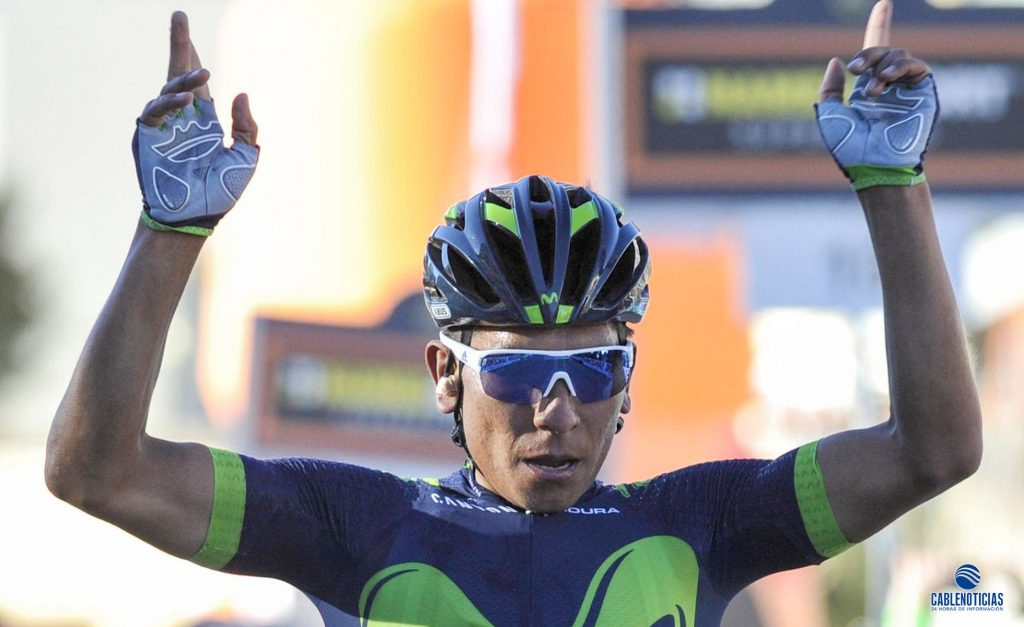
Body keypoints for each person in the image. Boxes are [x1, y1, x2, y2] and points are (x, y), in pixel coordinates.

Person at [46, 2, 981, 625]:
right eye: (518, 369)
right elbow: (96, 471)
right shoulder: (352, 521)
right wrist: (171, 229)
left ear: (629, 380)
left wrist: (893, 185)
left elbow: (932, 451)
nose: (557, 409)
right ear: (444, 374)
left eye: (595, 369)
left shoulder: (703, 519)